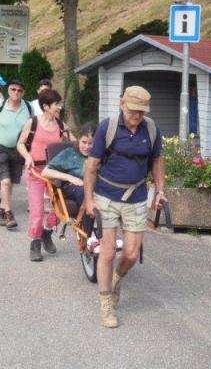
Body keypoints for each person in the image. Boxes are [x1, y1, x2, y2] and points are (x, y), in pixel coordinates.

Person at [83, 86, 167, 328]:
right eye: (133, 110)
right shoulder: (107, 127)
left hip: (137, 196)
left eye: (142, 111)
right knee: (107, 252)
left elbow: (157, 161)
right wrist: (89, 200)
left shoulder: (151, 129)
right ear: (122, 103)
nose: (137, 116)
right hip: (107, 195)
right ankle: (106, 302)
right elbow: (91, 167)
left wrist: (160, 190)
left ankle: (117, 278)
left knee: (130, 254)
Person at [16, 89, 67, 261]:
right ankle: (35, 242)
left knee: (59, 210)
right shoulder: (33, 123)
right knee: (37, 210)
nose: (59, 107)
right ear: (46, 106)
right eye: (56, 104)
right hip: (36, 173)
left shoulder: (60, 125)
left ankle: (47, 231)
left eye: (59, 104)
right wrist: (28, 156)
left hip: (54, 173)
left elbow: (74, 144)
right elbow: (21, 144)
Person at [0, 79, 33, 230]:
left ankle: (3, 210)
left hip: (18, 149)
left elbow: (33, 127)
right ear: (8, 90)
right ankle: (9, 214)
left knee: (10, 183)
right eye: (13, 89)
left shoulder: (28, 107)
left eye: (19, 90)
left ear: (23, 92)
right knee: (4, 181)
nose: (16, 93)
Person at [41, 123, 96, 247]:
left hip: (95, 188)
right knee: (84, 191)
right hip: (72, 188)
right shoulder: (69, 154)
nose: (87, 147)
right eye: (84, 142)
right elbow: (45, 171)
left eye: (91, 143)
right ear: (78, 140)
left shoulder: (98, 156)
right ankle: (89, 234)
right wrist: (69, 177)